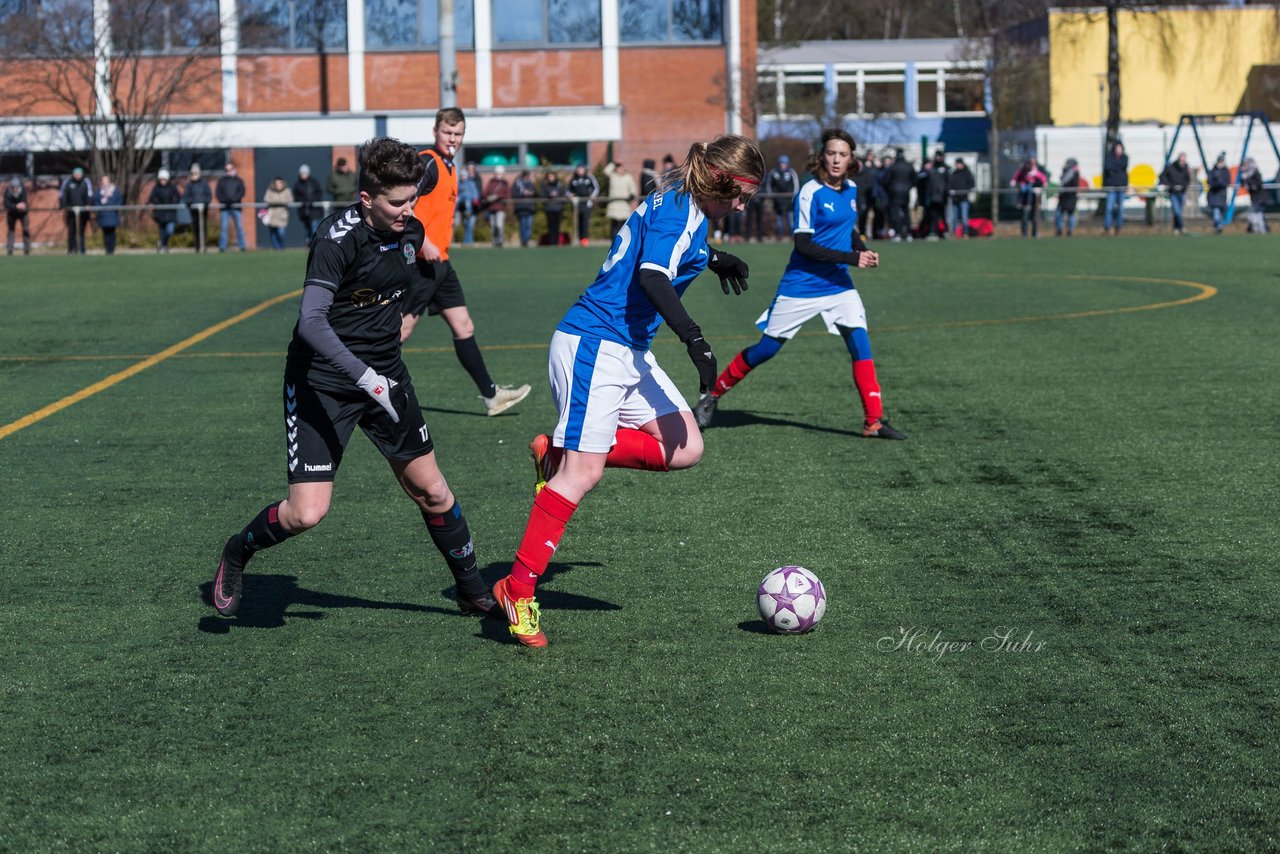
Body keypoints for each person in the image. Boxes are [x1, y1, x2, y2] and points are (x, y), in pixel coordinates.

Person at [209, 136, 498, 623]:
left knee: (433, 491)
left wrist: (397, 343)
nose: (409, 209)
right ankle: (237, 551)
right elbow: (311, 322)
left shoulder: (409, 228)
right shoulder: (334, 240)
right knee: (306, 514)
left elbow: (417, 271)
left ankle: (473, 592)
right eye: (398, 202)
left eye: (414, 199)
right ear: (366, 199)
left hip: (386, 376)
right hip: (322, 382)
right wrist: (366, 377)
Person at [490, 135, 762, 647]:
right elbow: (653, 274)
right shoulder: (681, 210)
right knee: (583, 474)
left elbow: (672, 245)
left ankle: (560, 453)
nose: (743, 205)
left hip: (627, 349)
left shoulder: (684, 203)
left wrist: (716, 257)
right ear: (720, 182)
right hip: (595, 343)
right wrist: (695, 339)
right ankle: (518, 588)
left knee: (685, 447)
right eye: (741, 195)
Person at [693, 128, 906, 443]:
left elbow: (850, 229)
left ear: (851, 160)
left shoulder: (850, 189)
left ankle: (873, 421)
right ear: (822, 156)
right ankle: (711, 395)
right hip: (801, 286)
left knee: (860, 344)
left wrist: (862, 249)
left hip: (839, 286)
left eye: (842, 154)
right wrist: (852, 258)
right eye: (831, 153)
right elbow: (804, 245)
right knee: (766, 350)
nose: (836, 159)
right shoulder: (809, 192)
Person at [400, 107, 531, 417]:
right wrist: (424, 242)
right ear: (435, 132)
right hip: (422, 263)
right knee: (400, 331)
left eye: (458, 134)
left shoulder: (449, 166)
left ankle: (491, 396)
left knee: (464, 325)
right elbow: (405, 204)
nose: (452, 139)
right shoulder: (427, 162)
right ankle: (360, 386)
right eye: (447, 132)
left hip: (442, 264)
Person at [1011, 154, 1048, 238]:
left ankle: (1035, 233)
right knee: (1025, 215)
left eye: (1033, 158)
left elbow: (1043, 179)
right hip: (1025, 197)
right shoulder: (1024, 168)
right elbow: (1018, 178)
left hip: (1036, 197)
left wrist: (1035, 185)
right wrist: (1019, 184)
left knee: (1035, 215)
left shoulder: (1040, 169)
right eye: (1030, 158)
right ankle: (1024, 233)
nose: (1032, 160)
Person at [602, 160, 638, 241]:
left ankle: (624, 240)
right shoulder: (612, 176)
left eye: (620, 167)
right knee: (614, 224)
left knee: (624, 224)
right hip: (614, 203)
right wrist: (613, 163)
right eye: (617, 167)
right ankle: (614, 240)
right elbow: (605, 171)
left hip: (624, 203)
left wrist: (632, 194)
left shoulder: (628, 177)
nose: (619, 169)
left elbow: (632, 187)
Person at [216, 161, 247, 252]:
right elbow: (218, 193)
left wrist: (234, 200)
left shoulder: (239, 180)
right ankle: (222, 247)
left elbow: (242, 192)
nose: (229, 171)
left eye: (230, 169)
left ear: (234, 169)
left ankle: (242, 246)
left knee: (239, 227)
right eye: (227, 169)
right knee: (224, 228)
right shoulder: (221, 181)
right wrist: (225, 201)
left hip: (236, 207)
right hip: (224, 208)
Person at [765, 153, 798, 239]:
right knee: (778, 221)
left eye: (784, 163)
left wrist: (793, 197)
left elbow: (795, 186)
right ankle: (779, 236)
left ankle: (792, 236)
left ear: (787, 164)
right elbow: (769, 186)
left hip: (789, 201)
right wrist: (772, 197)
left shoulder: (791, 173)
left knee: (791, 220)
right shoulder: (773, 173)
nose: (782, 165)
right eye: (781, 163)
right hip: (777, 201)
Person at [1159, 152, 1192, 235]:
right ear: (1178, 159)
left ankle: (1176, 228)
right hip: (1173, 193)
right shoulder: (1171, 167)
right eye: (1181, 160)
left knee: (1178, 212)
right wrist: (1170, 185)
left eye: (1184, 160)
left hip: (1181, 193)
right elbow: (1162, 176)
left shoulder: (1186, 168)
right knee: (1177, 211)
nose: (1182, 162)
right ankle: (1182, 227)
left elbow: (1187, 180)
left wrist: (1184, 186)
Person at [60, 166, 91, 254]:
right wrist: (64, 205)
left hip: (82, 212)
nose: (78, 176)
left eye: (79, 174)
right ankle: (71, 249)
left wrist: (88, 204)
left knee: (81, 231)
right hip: (71, 212)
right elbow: (63, 194)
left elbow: (89, 194)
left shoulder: (86, 182)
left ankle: (81, 249)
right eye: (76, 174)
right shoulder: (68, 182)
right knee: (71, 231)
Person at [886, 148, 916, 241]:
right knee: (906, 213)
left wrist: (891, 188)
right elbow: (914, 180)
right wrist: (908, 187)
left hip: (895, 193)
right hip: (906, 192)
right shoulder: (909, 166)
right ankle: (908, 233)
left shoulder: (893, 167)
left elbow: (887, 180)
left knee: (896, 214)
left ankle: (898, 233)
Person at [148, 168, 181, 253]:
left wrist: (173, 204)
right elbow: (152, 198)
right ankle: (163, 246)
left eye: (164, 179)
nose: (163, 181)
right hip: (160, 213)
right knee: (162, 231)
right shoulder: (156, 188)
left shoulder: (172, 187)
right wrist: (158, 203)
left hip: (170, 213)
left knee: (170, 230)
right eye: (161, 179)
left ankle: (162, 243)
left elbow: (178, 197)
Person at [568, 164, 600, 246]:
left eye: (582, 169)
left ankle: (585, 239)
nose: (580, 170)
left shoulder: (589, 177)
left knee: (585, 221)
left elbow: (596, 187)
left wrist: (593, 195)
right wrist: (570, 195)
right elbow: (568, 190)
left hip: (587, 202)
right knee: (578, 221)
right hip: (577, 203)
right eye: (579, 169)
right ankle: (578, 238)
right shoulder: (573, 179)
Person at [184, 164, 213, 251]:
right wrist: (193, 203)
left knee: (203, 227)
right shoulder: (189, 185)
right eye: (193, 173)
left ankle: (204, 246)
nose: (194, 175)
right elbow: (186, 197)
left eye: (196, 173)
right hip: (193, 210)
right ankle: (197, 247)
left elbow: (209, 195)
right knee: (195, 227)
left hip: (203, 209)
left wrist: (204, 203)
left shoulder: (204, 184)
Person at [1102, 141, 1129, 236]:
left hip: (1121, 186)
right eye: (1117, 148)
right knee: (1109, 208)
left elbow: (1123, 165)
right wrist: (1118, 169)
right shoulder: (1109, 157)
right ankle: (1107, 228)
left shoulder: (1125, 157)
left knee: (1120, 209)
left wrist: (1114, 169)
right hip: (1111, 187)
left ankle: (1118, 227)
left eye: (1120, 148)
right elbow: (1108, 167)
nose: (1119, 150)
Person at [292, 164, 325, 239]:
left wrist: (312, 201)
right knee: (307, 231)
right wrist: (303, 201)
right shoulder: (297, 184)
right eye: (302, 173)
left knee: (314, 229)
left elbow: (319, 193)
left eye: (305, 173)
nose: (303, 175)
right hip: (304, 211)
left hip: (314, 210)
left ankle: (314, 245)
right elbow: (296, 195)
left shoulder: (314, 182)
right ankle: (308, 245)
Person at [923, 151, 950, 239]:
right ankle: (933, 232)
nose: (938, 158)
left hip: (943, 197)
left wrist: (945, 193)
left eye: (939, 157)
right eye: (936, 157)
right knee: (933, 216)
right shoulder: (932, 169)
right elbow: (928, 182)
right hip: (934, 197)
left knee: (944, 216)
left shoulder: (946, 168)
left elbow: (948, 182)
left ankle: (946, 232)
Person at [482, 165, 510, 247]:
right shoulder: (491, 182)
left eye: (500, 173)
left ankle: (500, 240)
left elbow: (507, 195)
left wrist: (497, 196)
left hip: (500, 207)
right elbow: (486, 193)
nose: (498, 175)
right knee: (493, 225)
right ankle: (494, 240)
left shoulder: (505, 183)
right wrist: (488, 198)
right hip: (491, 207)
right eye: (497, 173)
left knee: (499, 225)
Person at [94, 173, 122, 255]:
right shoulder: (98, 193)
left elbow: (119, 202)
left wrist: (113, 207)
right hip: (103, 217)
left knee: (112, 233)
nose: (105, 183)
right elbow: (95, 203)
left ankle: (112, 250)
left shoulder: (115, 191)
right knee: (105, 234)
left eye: (106, 181)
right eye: (103, 181)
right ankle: (107, 250)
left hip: (113, 216)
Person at [263, 175, 294, 249]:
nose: (278, 185)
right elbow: (266, 200)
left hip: (282, 215)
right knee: (273, 233)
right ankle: (276, 248)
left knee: (281, 233)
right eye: (276, 183)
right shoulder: (270, 190)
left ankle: (281, 248)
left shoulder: (287, 190)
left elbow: (290, 200)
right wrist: (279, 202)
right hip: (272, 215)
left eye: (280, 183)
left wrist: (276, 202)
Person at [948, 157, 975, 238]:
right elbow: (950, 184)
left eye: (959, 164)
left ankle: (965, 233)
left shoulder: (967, 173)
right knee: (954, 218)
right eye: (956, 164)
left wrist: (967, 191)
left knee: (964, 217)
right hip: (955, 199)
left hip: (964, 198)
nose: (957, 165)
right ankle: (953, 233)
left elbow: (971, 184)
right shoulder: (953, 173)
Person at [511, 168, 538, 247]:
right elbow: (514, 194)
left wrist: (532, 193)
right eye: (525, 176)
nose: (526, 177)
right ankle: (524, 241)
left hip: (530, 208)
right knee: (523, 225)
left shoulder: (531, 183)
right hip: (521, 208)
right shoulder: (517, 183)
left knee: (529, 226)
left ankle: (527, 239)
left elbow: (536, 193)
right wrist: (523, 194)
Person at [456, 162, 482, 245]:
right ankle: (466, 241)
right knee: (466, 224)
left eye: (472, 168)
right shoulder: (460, 183)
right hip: (463, 205)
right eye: (469, 169)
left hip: (472, 206)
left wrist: (475, 199)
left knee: (470, 224)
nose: (470, 170)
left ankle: (469, 241)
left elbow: (476, 192)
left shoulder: (475, 181)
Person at [4, 176, 31, 256]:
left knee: (25, 229)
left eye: (16, 187)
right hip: (12, 213)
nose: (15, 188)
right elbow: (7, 205)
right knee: (11, 231)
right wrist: (16, 206)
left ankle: (27, 249)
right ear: (11, 186)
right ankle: (10, 250)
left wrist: (23, 205)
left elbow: (25, 201)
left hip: (23, 213)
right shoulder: (7, 192)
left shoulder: (23, 190)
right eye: (13, 187)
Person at [1241, 158, 1268, 234]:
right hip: (1254, 197)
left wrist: (1250, 183)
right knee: (1256, 214)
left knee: (1256, 214)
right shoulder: (1246, 174)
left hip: (1259, 197)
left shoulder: (1255, 173)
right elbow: (1243, 183)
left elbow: (1259, 184)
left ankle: (1260, 229)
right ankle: (1258, 229)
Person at [540, 169, 567, 246]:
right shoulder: (545, 186)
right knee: (550, 226)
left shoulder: (560, 185)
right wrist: (549, 195)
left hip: (558, 208)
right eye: (549, 176)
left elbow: (564, 195)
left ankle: (556, 241)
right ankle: (552, 242)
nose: (551, 178)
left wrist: (558, 196)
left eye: (552, 176)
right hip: (549, 209)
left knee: (557, 226)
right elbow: (542, 196)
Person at [1206, 153, 1231, 235]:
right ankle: (1218, 226)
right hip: (1214, 195)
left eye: (1222, 161)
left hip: (1222, 195)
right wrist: (1217, 182)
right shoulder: (1212, 171)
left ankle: (1218, 226)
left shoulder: (1226, 171)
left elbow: (1227, 182)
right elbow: (1209, 182)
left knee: (1221, 212)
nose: (1220, 163)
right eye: (1219, 161)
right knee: (1216, 212)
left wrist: (1219, 182)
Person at [1055, 158, 1081, 237]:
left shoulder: (1075, 173)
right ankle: (1060, 229)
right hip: (1064, 197)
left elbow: (1075, 185)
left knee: (1070, 214)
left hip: (1070, 197)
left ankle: (1070, 230)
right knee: (1059, 214)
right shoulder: (1065, 172)